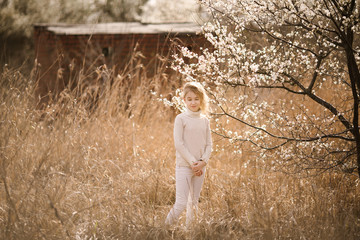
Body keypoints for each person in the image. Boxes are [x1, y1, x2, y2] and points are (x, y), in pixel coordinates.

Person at [165, 81, 212, 227]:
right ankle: (162, 229)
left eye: (196, 99)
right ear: (184, 100)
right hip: (185, 166)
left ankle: (190, 233)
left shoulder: (204, 120)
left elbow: (209, 144)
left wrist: (203, 162)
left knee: (194, 203)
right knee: (181, 203)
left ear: (201, 100)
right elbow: (179, 144)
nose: (193, 102)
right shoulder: (181, 119)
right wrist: (193, 163)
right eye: (189, 99)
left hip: (200, 167)